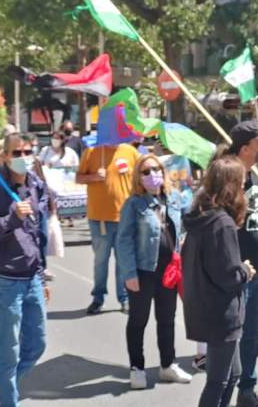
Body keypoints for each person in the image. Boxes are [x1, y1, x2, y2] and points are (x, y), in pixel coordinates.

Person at [0, 133, 50, 407]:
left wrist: (42, 274)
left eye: (28, 151)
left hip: (32, 278)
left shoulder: (36, 184)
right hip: (5, 282)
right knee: (9, 352)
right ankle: (8, 400)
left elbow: (38, 235)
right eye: (16, 153)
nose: (23, 157)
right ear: (4, 156)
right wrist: (11, 219)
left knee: (37, 344)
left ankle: (7, 392)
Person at [182, 156, 256, 407]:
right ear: (231, 186)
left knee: (233, 375)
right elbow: (228, 275)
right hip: (220, 311)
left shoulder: (201, 216)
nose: (244, 187)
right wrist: (245, 270)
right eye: (242, 182)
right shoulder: (221, 223)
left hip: (206, 305)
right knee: (218, 381)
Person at [116, 154, 192, 389]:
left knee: (167, 319)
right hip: (143, 271)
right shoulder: (134, 204)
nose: (153, 174)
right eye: (146, 171)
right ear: (138, 177)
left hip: (169, 270)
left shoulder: (174, 198)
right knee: (138, 320)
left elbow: (186, 222)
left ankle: (167, 365)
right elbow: (124, 241)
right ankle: (137, 368)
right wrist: (129, 273)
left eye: (156, 169)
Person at [222, 121, 258, 407]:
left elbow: (256, 222)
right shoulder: (227, 180)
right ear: (245, 148)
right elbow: (222, 227)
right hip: (239, 272)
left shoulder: (257, 176)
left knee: (254, 336)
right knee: (233, 337)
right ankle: (223, 390)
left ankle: (247, 389)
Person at [76, 142, 140, 314]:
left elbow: (140, 179)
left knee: (123, 260)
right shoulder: (91, 151)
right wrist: (94, 177)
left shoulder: (130, 152)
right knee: (101, 261)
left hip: (125, 217)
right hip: (99, 218)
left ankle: (124, 298)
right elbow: (78, 178)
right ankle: (98, 298)